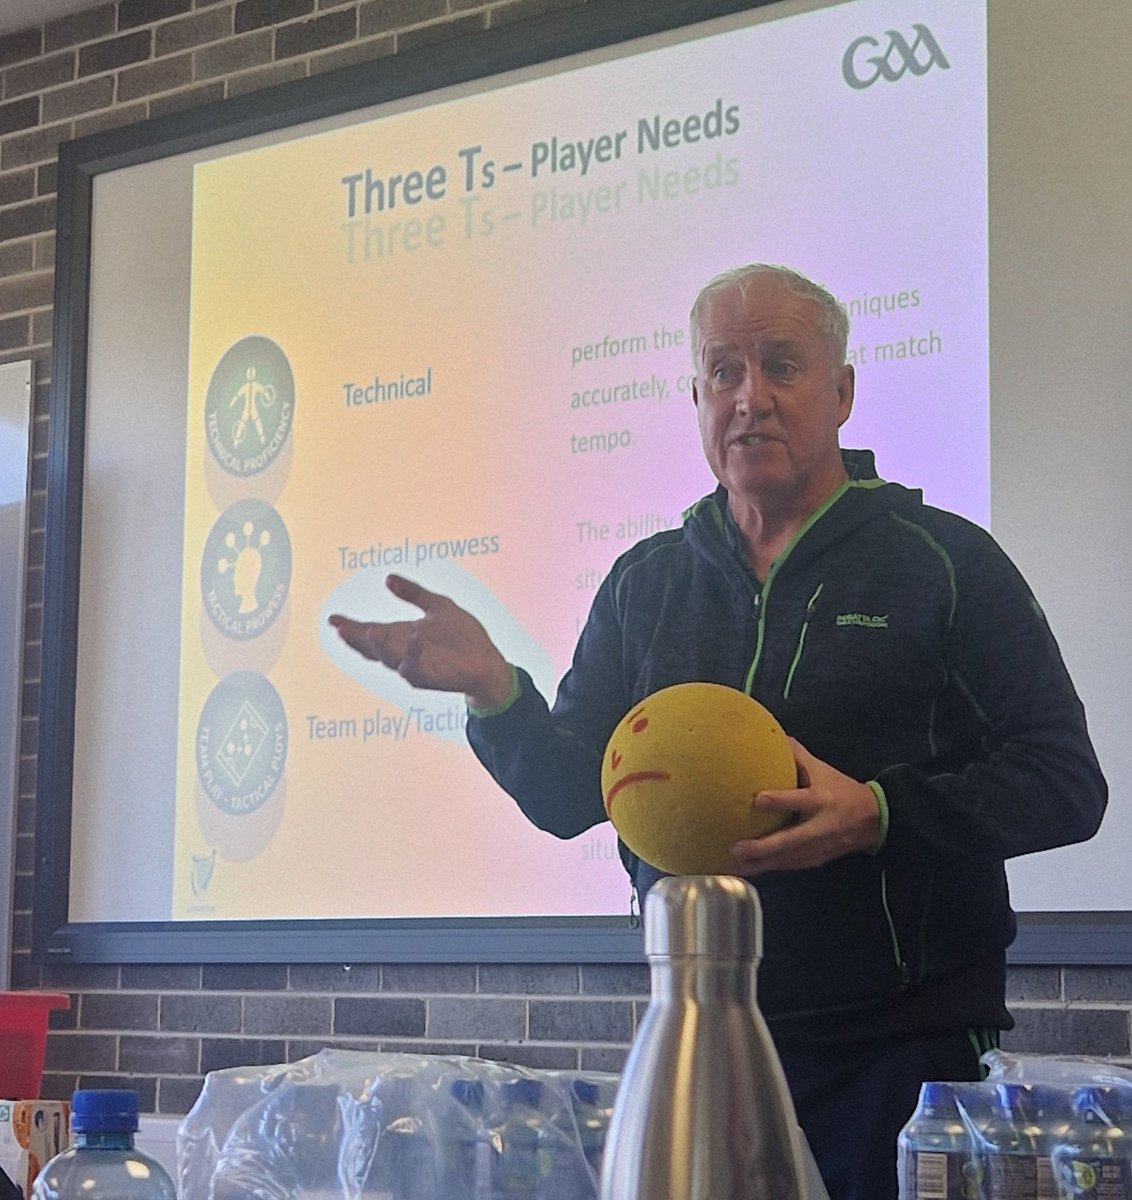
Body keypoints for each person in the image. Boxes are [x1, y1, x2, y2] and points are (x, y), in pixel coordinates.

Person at [329, 263, 1107, 1200]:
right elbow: (571, 795)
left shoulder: (945, 563)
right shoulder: (646, 583)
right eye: (724, 372)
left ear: (842, 391)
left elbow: (1065, 782)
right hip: (697, 1036)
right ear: (696, 398)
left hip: (901, 1056)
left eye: (782, 365)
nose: (750, 398)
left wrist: (878, 813)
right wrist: (497, 693)